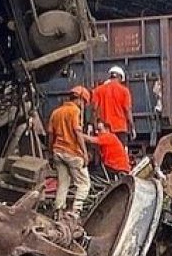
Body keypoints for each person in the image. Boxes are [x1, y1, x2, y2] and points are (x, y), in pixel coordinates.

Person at [48, 86, 92, 217]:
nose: (83, 105)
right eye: (83, 102)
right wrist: (84, 153)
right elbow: (77, 132)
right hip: (72, 153)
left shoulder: (56, 112)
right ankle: (76, 212)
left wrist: (51, 151)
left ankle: (58, 210)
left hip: (58, 152)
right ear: (79, 99)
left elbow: (50, 134)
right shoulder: (75, 111)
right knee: (84, 184)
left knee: (63, 183)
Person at [91, 65, 135, 143]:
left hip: (105, 128)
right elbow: (128, 110)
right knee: (120, 152)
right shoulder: (124, 91)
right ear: (120, 77)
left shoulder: (98, 90)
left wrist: (95, 127)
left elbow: (94, 109)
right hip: (120, 128)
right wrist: (132, 127)